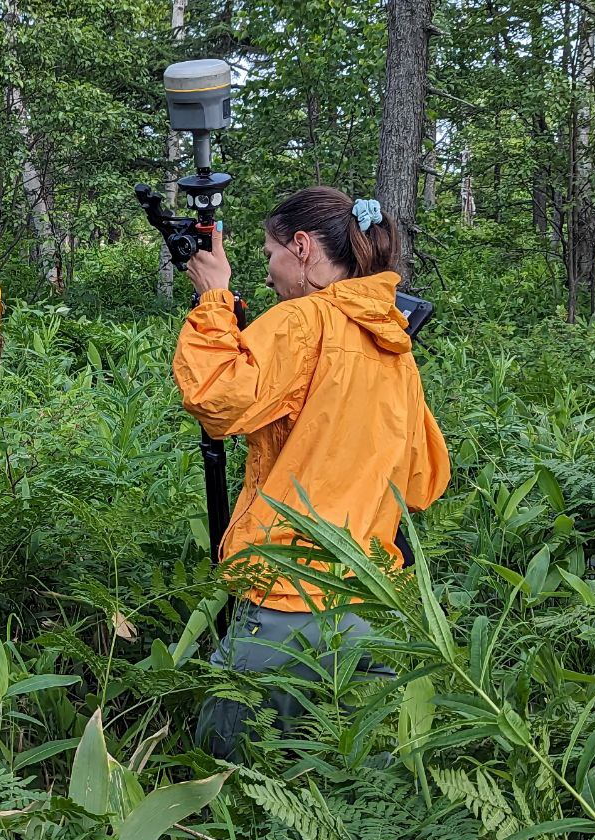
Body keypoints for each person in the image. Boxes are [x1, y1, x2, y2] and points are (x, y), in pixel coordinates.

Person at [173, 187, 451, 756]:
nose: (269, 270)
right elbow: (423, 482)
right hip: (369, 603)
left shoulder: (302, 322)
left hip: (286, 602)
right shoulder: (395, 344)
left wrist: (214, 300)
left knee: (231, 783)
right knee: (345, 797)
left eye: (271, 253)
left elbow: (217, 398)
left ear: (301, 248)